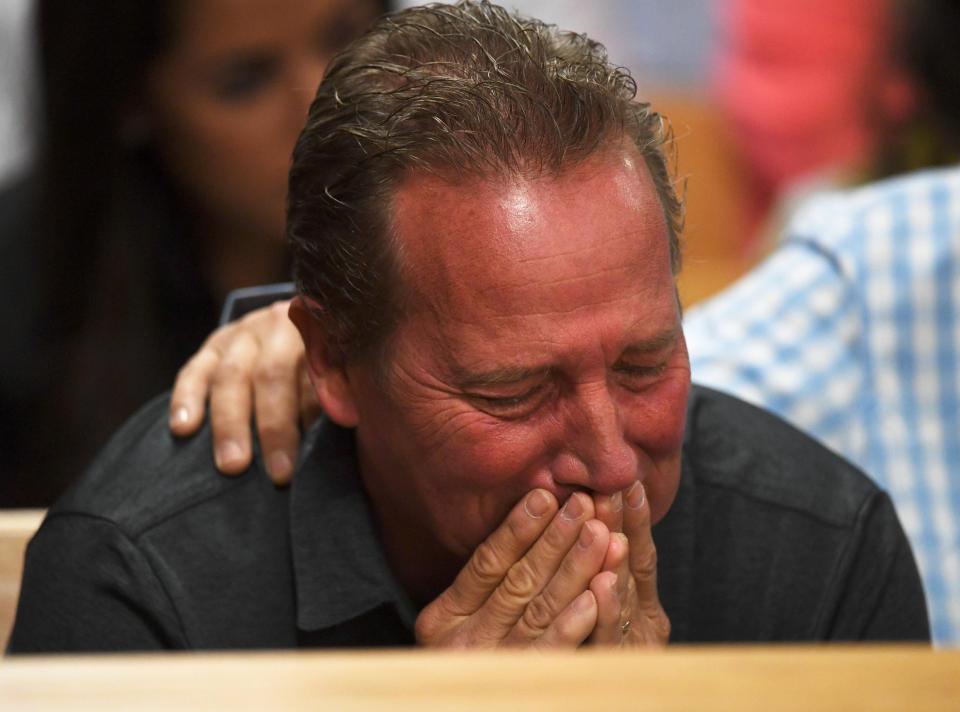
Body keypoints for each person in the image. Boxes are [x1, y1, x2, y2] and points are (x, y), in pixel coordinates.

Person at [9, 1, 927, 653]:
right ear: (332, 357)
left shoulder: (823, 549)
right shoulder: (139, 588)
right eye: (513, 391)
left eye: (644, 363)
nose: (610, 462)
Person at [0, 0, 389, 507]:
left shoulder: (462, 219)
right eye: (245, 81)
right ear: (132, 100)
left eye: (346, 39)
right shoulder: (21, 294)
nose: (323, 108)